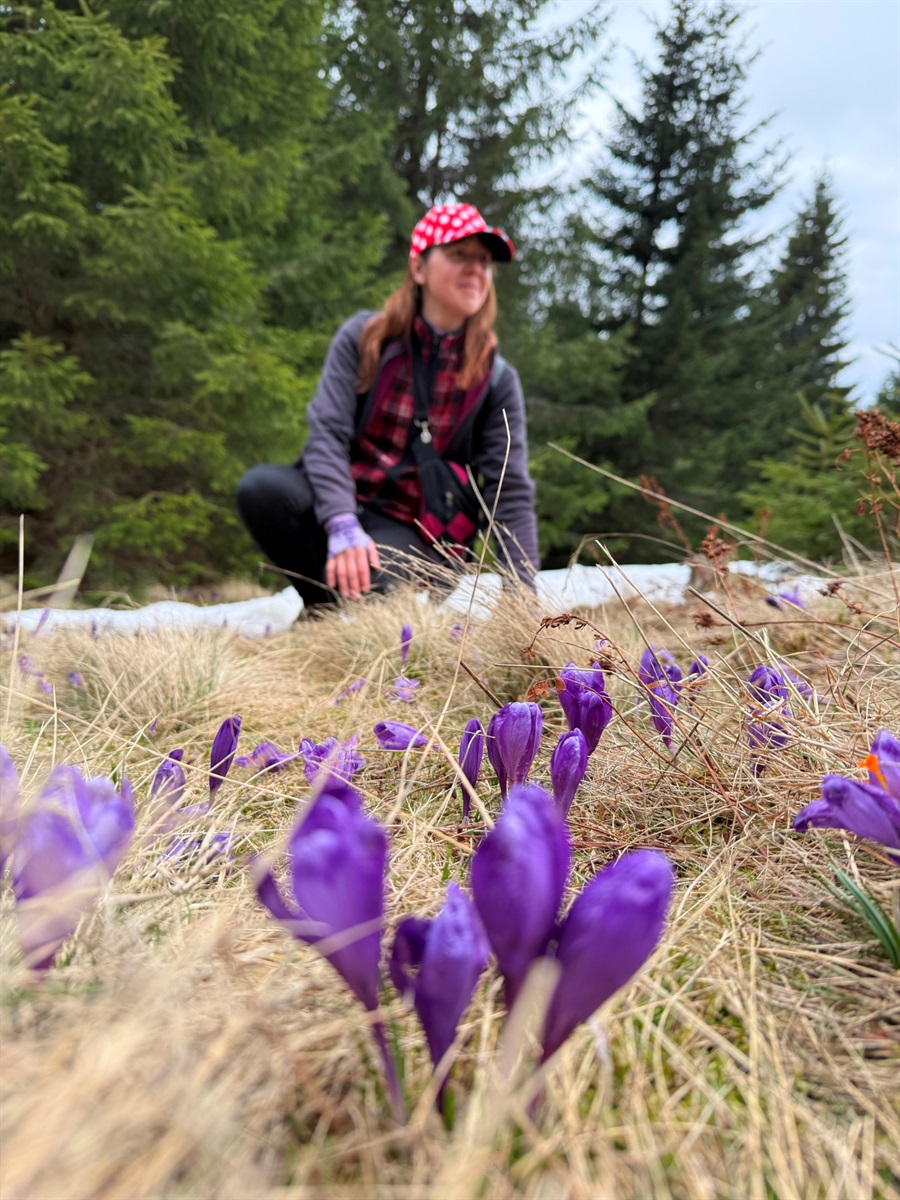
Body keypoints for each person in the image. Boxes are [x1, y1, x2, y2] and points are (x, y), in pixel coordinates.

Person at [236, 202, 540, 610]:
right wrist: (342, 522)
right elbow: (326, 436)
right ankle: (321, 608)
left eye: (484, 261)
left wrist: (524, 604)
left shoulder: (496, 380)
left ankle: (360, 602)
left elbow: (510, 492)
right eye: (458, 254)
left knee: (379, 580)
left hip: (413, 528)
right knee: (263, 492)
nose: (475, 269)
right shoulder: (365, 341)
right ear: (419, 269)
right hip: (344, 502)